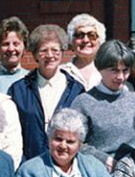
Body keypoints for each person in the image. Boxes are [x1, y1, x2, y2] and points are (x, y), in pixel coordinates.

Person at [8, 24, 85, 161]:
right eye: (43, 50)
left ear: (62, 52)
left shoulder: (76, 89)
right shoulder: (19, 90)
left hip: (67, 163)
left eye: (55, 50)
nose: (50, 55)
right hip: (29, 163)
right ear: (35, 55)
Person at [71, 39, 135, 171]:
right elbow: (74, 142)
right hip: (98, 172)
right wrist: (104, 160)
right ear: (100, 68)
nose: (120, 77)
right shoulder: (83, 102)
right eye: (114, 70)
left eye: (125, 70)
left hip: (132, 173)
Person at [59, 13, 106, 90]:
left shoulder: (108, 71)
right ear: (72, 41)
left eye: (92, 35)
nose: (86, 40)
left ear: (100, 40)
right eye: (80, 35)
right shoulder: (61, 72)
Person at [0, 16, 30, 93]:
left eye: (16, 44)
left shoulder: (32, 79)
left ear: (24, 47)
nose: (11, 49)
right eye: (6, 44)